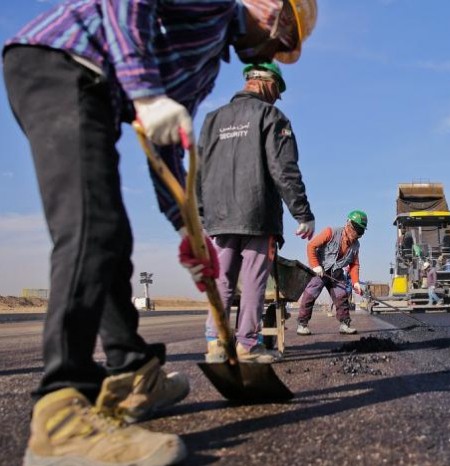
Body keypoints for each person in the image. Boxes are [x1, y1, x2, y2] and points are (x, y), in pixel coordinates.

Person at [2, 0, 317, 464]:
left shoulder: (209, 62)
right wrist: (146, 94)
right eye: (282, 37)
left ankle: (133, 372)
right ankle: (61, 421)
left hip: (95, 89)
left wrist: (185, 226)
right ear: (273, 11)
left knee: (112, 239)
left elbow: (166, 138)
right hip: (61, 63)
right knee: (92, 231)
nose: (272, 48)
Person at [198, 62, 315, 364]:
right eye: (277, 91)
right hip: (257, 214)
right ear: (266, 82)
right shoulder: (271, 116)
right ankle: (247, 345)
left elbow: (199, 170)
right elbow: (283, 169)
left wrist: (201, 213)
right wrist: (302, 212)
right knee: (252, 281)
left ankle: (216, 343)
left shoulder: (212, 120)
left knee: (221, 279)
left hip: (219, 217)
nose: (277, 98)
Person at [297, 211, 368, 335]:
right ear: (348, 224)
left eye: (360, 231)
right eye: (355, 229)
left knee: (342, 297)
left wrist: (356, 282)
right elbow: (311, 246)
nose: (356, 234)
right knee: (310, 295)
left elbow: (354, 264)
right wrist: (315, 266)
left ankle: (344, 325)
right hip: (320, 270)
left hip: (336, 273)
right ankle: (302, 324)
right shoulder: (330, 232)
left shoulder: (356, 245)